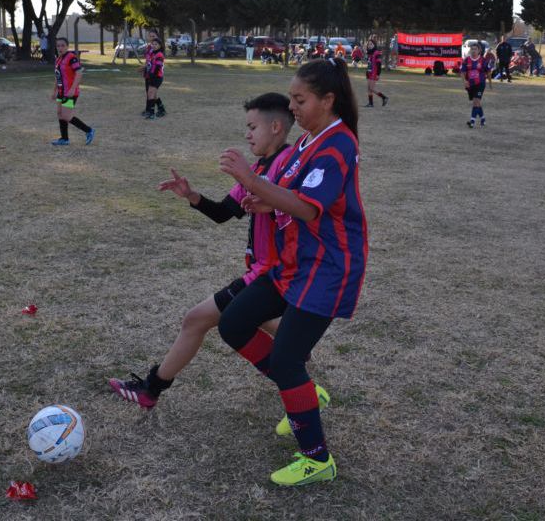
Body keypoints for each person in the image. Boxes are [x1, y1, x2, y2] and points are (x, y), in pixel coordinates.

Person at [108, 94, 316, 414]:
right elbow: (223, 212)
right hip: (263, 271)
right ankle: (297, 348)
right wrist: (192, 196)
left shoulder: (290, 166)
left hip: (272, 274)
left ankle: (151, 389)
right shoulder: (258, 167)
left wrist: (265, 193)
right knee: (244, 320)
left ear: (276, 127)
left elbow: (302, 211)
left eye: (252, 127)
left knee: (197, 320)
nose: (247, 134)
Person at [217, 57, 367, 486]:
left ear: (328, 100)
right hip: (293, 263)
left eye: (300, 99)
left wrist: (251, 180)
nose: (293, 106)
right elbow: (294, 195)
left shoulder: (339, 145)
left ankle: (317, 459)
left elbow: (306, 206)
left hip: (326, 270)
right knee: (234, 324)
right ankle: (301, 391)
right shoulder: (307, 141)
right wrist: (266, 201)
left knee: (285, 358)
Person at [50, 37, 94, 146]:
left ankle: (89, 130)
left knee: (66, 116)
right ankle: (64, 139)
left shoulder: (71, 58)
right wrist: (54, 90)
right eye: (58, 45)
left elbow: (79, 73)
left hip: (70, 93)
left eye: (62, 45)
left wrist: (73, 88)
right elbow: (57, 76)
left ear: (67, 46)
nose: (60, 48)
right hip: (61, 92)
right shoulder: (58, 59)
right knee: (60, 114)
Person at [460, 42, 490, 128]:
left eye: (475, 49)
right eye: (472, 49)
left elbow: (488, 71)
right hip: (471, 84)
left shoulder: (483, 60)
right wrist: (465, 81)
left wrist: (489, 81)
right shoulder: (466, 60)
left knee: (476, 102)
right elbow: (462, 72)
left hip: (480, 84)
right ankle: (483, 119)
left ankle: (472, 121)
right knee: (477, 103)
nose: (473, 51)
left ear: (479, 51)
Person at [142, 29, 167, 118]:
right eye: (150, 36)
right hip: (148, 73)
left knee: (151, 93)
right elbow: (148, 60)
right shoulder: (149, 47)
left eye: (154, 36)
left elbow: (158, 65)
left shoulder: (158, 50)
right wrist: (144, 68)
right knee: (150, 93)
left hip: (155, 75)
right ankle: (159, 109)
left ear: (157, 37)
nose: (152, 38)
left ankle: (150, 111)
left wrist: (153, 72)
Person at [363, 37, 389, 107]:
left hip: (373, 73)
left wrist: (378, 74)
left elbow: (379, 64)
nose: (369, 45)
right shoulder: (369, 53)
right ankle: (370, 104)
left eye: (371, 44)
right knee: (369, 88)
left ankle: (384, 97)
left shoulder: (377, 53)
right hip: (368, 72)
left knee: (371, 88)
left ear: (374, 45)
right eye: (368, 44)